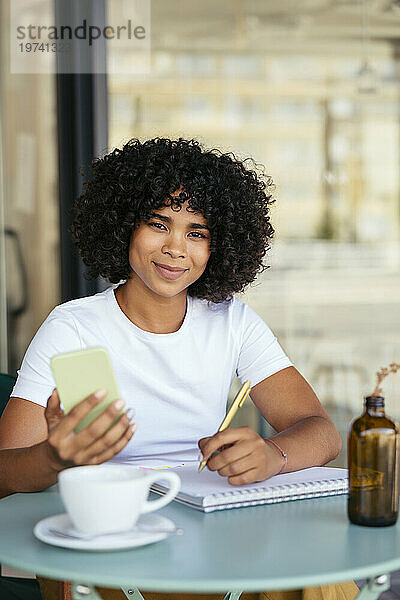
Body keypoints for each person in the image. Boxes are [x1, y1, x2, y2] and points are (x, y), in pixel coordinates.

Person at [0, 138, 358, 600]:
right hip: (109, 541)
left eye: (197, 233)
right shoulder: (74, 327)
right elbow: (6, 473)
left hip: (208, 527)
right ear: (124, 225)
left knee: (314, 572)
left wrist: (274, 455)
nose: (176, 248)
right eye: (158, 224)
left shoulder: (232, 321)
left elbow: (322, 433)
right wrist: (57, 457)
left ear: (218, 246)